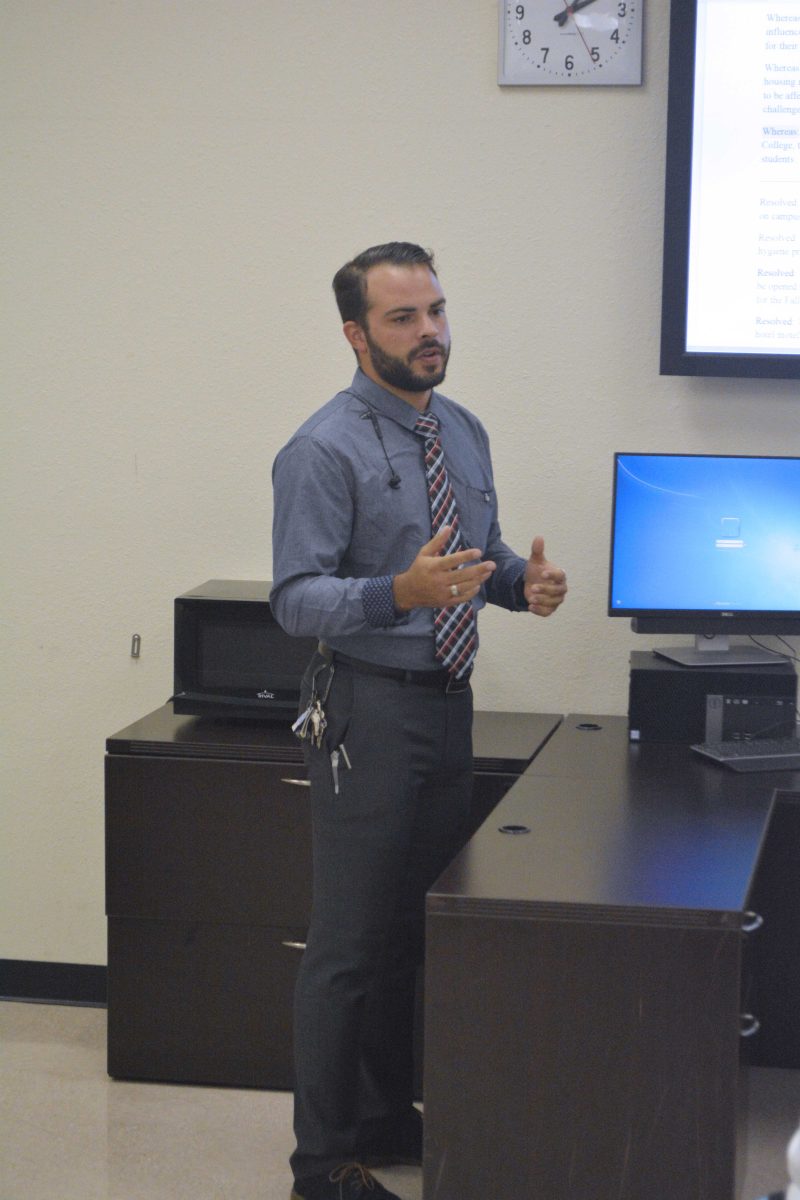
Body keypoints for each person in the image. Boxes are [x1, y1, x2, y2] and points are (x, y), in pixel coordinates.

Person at [271, 242, 567, 1200]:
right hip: (369, 712)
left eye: (435, 310)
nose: (430, 331)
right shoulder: (322, 449)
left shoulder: (463, 430)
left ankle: (387, 1118)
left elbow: (475, 558)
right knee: (348, 949)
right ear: (357, 336)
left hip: (449, 707)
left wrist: (524, 584)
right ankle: (321, 1167)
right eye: (403, 318)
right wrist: (397, 592)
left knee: (415, 932)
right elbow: (295, 599)